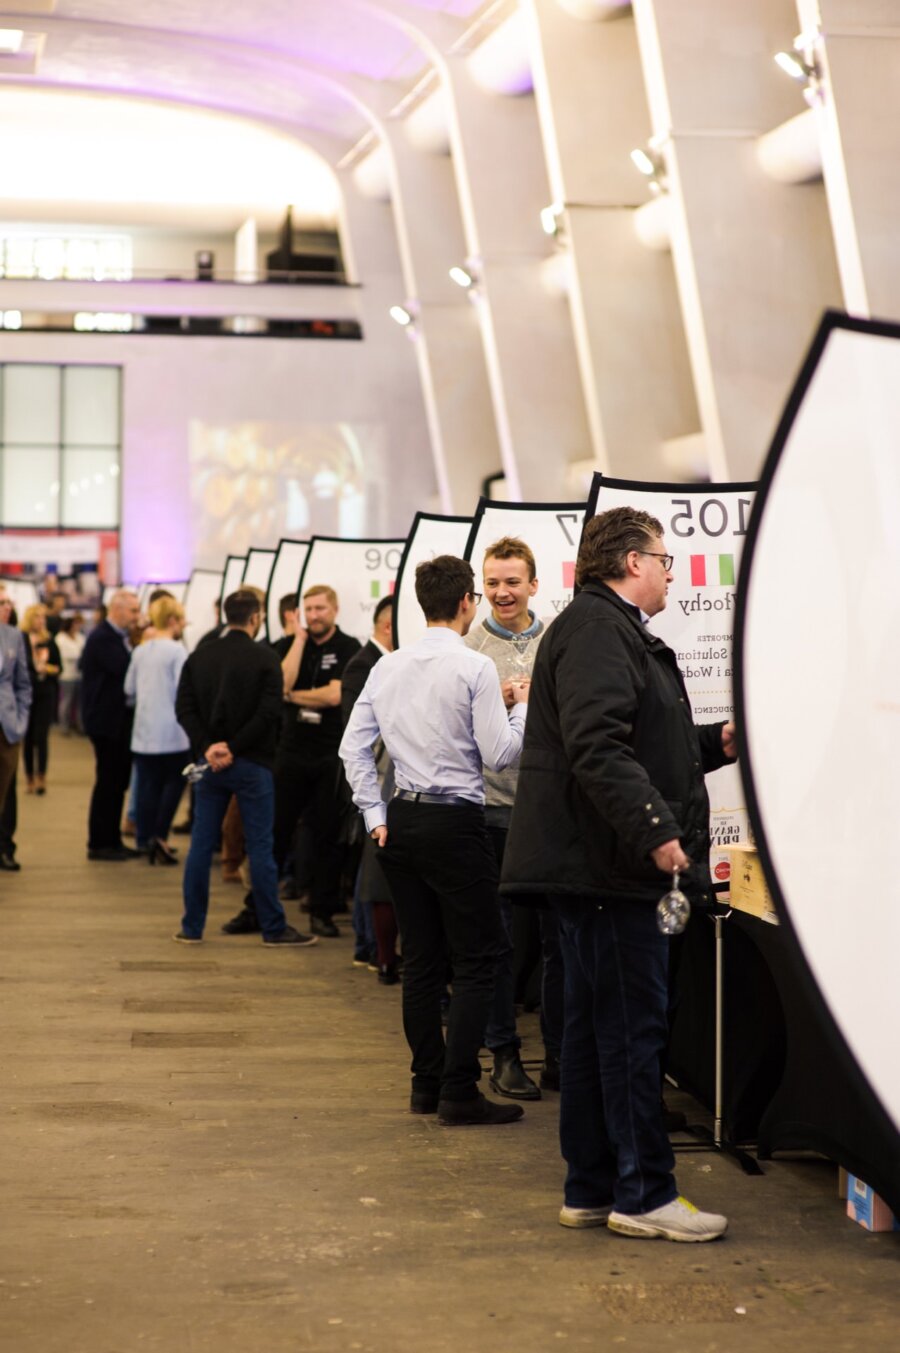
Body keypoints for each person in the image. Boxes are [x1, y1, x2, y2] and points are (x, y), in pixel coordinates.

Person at [501, 507, 736, 1242]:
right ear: (633, 562)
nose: (671, 571)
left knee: (598, 1031)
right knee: (630, 1033)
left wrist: (717, 741)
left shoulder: (602, 629)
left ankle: (592, 1185)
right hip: (609, 871)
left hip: (596, 870)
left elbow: (644, 744)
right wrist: (659, 833)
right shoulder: (603, 629)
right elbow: (598, 748)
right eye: (664, 558)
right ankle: (644, 1193)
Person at [340, 555, 529, 1126]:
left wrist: (375, 814)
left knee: (422, 961)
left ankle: (427, 1085)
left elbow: (353, 749)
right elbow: (500, 754)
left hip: (402, 819)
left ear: (422, 605)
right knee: (479, 958)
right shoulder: (472, 669)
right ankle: (459, 1090)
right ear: (468, 603)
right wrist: (521, 708)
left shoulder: (387, 667)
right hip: (456, 822)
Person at [464, 536, 562, 1101]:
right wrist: (492, 703)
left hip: (550, 814)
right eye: (493, 582)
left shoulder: (557, 641)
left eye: (512, 582)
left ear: (533, 584)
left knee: (559, 945)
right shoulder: (471, 650)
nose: (502, 592)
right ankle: (503, 1053)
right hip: (491, 812)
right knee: (498, 942)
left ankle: (560, 1057)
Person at [174, 589, 316, 947]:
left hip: (209, 765)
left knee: (201, 845)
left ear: (225, 616)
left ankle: (191, 928)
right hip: (253, 763)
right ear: (255, 618)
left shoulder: (199, 657)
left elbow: (184, 709)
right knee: (261, 848)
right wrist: (233, 748)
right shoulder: (265, 658)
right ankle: (272, 928)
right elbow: (268, 714)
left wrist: (210, 747)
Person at [271, 584, 361, 938]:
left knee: (327, 834)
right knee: (276, 830)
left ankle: (322, 910)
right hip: (291, 752)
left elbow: (335, 695)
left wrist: (293, 696)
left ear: (335, 610)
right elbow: (280, 683)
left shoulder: (348, 647)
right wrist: (298, 640)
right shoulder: (290, 645)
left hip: (329, 755)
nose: (314, 615)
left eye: (320, 608)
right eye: (308, 609)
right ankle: (259, 906)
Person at [340, 595, 398, 982]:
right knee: (375, 873)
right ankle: (374, 951)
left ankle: (374, 951)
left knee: (375, 872)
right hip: (379, 786)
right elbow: (355, 741)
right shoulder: (370, 665)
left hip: (381, 788)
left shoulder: (384, 664)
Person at [124, 596, 191, 863]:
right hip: (173, 732)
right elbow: (182, 690)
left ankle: (144, 838)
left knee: (147, 787)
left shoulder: (140, 651)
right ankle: (160, 838)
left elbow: (128, 690)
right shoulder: (177, 651)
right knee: (173, 785)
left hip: (143, 732)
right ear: (173, 620)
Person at [80, 588, 142, 861]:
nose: (137, 616)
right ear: (116, 610)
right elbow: (124, 670)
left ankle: (112, 839)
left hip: (114, 721)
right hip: (107, 723)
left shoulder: (115, 637)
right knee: (108, 782)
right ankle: (100, 842)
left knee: (116, 783)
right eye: (133, 610)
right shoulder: (104, 638)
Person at [0, 586, 31, 872]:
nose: (7, 607)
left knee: (7, 792)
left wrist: (21, 720)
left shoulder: (14, 636)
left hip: (7, 726)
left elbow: (23, 682)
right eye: (1, 603)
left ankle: (6, 847)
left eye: (8, 602)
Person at [20, 604, 61, 796]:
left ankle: (41, 776)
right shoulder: (21, 640)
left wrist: (49, 669)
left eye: (43, 618)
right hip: (27, 694)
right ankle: (28, 776)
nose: (40, 621)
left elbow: (58, 666)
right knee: (27, 737)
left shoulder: (49, 641)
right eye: (37, 617)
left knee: (41, 736)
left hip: (46, 692)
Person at [56, 614, 85, 734]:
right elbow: (66, 654)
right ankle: (64, 725)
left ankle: (79, 725)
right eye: (75, 623)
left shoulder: (80, 637)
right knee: (66, 701)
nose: (77, 626)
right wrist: (79, 655)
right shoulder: (60, 638)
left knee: (79, 703)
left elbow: (84, 652)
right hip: (66, 675)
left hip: (79, 674)